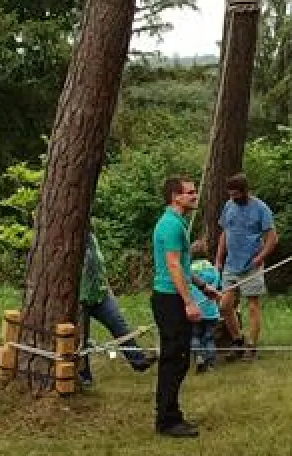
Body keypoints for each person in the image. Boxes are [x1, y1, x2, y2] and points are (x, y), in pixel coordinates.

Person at [152, 175, 219, 438]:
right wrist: (189, 302)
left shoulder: (177, 224)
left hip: (174, 297)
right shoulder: (170, 226)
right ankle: (167, 421)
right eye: (189, 193)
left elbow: (182, 264)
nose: (194, 196)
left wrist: (202, 286)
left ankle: (171, 414)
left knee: (179, 360)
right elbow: (172, 266)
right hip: (170, 300)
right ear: (175, 197)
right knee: (174, 360)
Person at [78, 229, 154, 387]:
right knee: (81, 338)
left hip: (100, 294)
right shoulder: (69, 242)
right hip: (79, 299)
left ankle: (138, 360)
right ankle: (84, 376)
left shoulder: (91, 237)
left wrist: (109, 291)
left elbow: (100, 267)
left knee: (119, 325)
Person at [216, 173, 277, 361]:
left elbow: (272, 238)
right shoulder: (228, 206)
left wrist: (260, 257)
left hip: (251, 264)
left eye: (236, 194)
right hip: (231, 265)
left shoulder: (261, 208)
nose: (233, 198)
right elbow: (225, 234)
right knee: (224, 305)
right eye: (231, 195)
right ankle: (237, 341)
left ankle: (252, 346)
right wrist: (219, 259)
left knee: (252, 306)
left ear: (245, 191)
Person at [189, 239, 221, 373]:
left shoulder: (189, 270)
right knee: (209, 337)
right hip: (211, 311)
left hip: (196, 310)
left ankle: (199, 357)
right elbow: (217, 285)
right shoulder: (213, 270)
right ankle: (211, 364)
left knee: (195, 336)